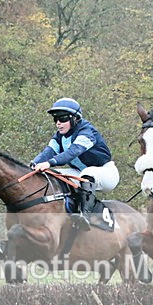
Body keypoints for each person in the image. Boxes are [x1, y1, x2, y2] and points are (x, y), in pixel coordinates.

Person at [31, 98, 120, 231]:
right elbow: (48, 152)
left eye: (62, 119)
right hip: (80, 172)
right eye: (55, 119)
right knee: (55, 175)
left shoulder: (87, 132)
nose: (58, 123)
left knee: (87, 174)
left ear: (75, 119)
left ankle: (85, 216)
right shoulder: (59, 136)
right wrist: (33, 164)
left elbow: (73, 152)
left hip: (106, 172)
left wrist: (50, 163)